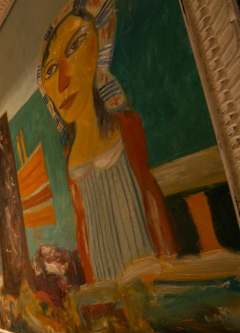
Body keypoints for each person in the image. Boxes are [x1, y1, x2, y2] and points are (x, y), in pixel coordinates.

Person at [37, 0, 176, 284]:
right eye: (50, 70)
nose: (62, 81)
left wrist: (168, 263)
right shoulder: (70, 153)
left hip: (146, 266)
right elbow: (83, 225)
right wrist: (95, 286)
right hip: (105, 277)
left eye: (75, 46)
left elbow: (148, 191)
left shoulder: (124, 125)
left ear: (99, 48)